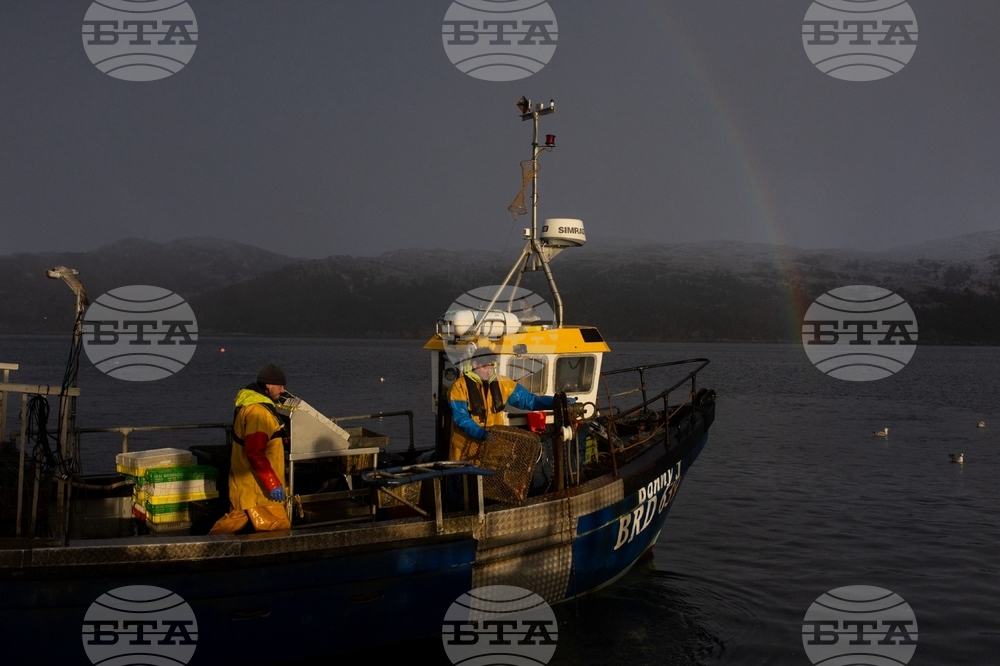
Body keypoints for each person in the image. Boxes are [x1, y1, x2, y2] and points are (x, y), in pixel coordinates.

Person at [209, 363, 291, 534]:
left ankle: (209, 544)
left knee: (235, 519)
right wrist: (273, 484)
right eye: (280, 386)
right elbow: (255, 453)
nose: (283, 390)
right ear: (269, 385)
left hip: (244, 484)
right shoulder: (258, 413)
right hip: (259, 489)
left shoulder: (250, 404)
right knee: (277, 527)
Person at [448, 347, 557, 461]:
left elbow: (530, 400)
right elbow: (461, 418)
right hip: (465, 451)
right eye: (485, 367)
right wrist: (482, 434)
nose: (489, 371)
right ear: (475, 365)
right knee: (465, 473)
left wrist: (556, 401)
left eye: (491, 367)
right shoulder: (459, 387)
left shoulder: (503, 384)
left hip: (493, 448)